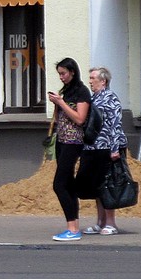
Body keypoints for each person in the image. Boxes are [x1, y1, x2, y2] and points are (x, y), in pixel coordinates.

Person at [77, 66, 128, 236]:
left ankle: (111, 223)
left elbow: (115, 124)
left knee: (108, 185)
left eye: (93, 78)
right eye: (90, 78)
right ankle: (100, 222)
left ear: (103, 80)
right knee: (97, 186)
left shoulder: (110, 97)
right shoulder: (95, 98)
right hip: (93, 148)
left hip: (107, 148)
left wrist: (114, 149)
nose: (90, 81)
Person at [47, 56, 91, 241]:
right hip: (62, 140)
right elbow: (60, 118)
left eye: (63, 73)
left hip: (74, 142)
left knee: (59, 184)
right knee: (68, 183)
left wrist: (61, 103)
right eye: (59, 74)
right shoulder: (67, 91)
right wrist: (57, 106)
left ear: (72, 72)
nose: (61, 77)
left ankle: (72, 229)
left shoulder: (82, 91)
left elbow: (80, 119)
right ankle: (74, 227)